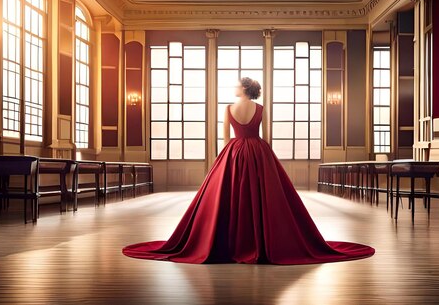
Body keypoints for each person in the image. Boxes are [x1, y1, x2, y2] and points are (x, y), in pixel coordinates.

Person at [122, 77, 374, 265]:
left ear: (244, 89)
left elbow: (223, 138)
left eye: (237, 85)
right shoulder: (261, 109)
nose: (234, 88)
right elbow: (266, 135)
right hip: (258, 150)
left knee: (227, 196)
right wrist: (263, 152)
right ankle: (262, 241)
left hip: (233, 151)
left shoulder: (228, 108)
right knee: (264, 196)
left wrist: (223, 159)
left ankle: (226, 242)